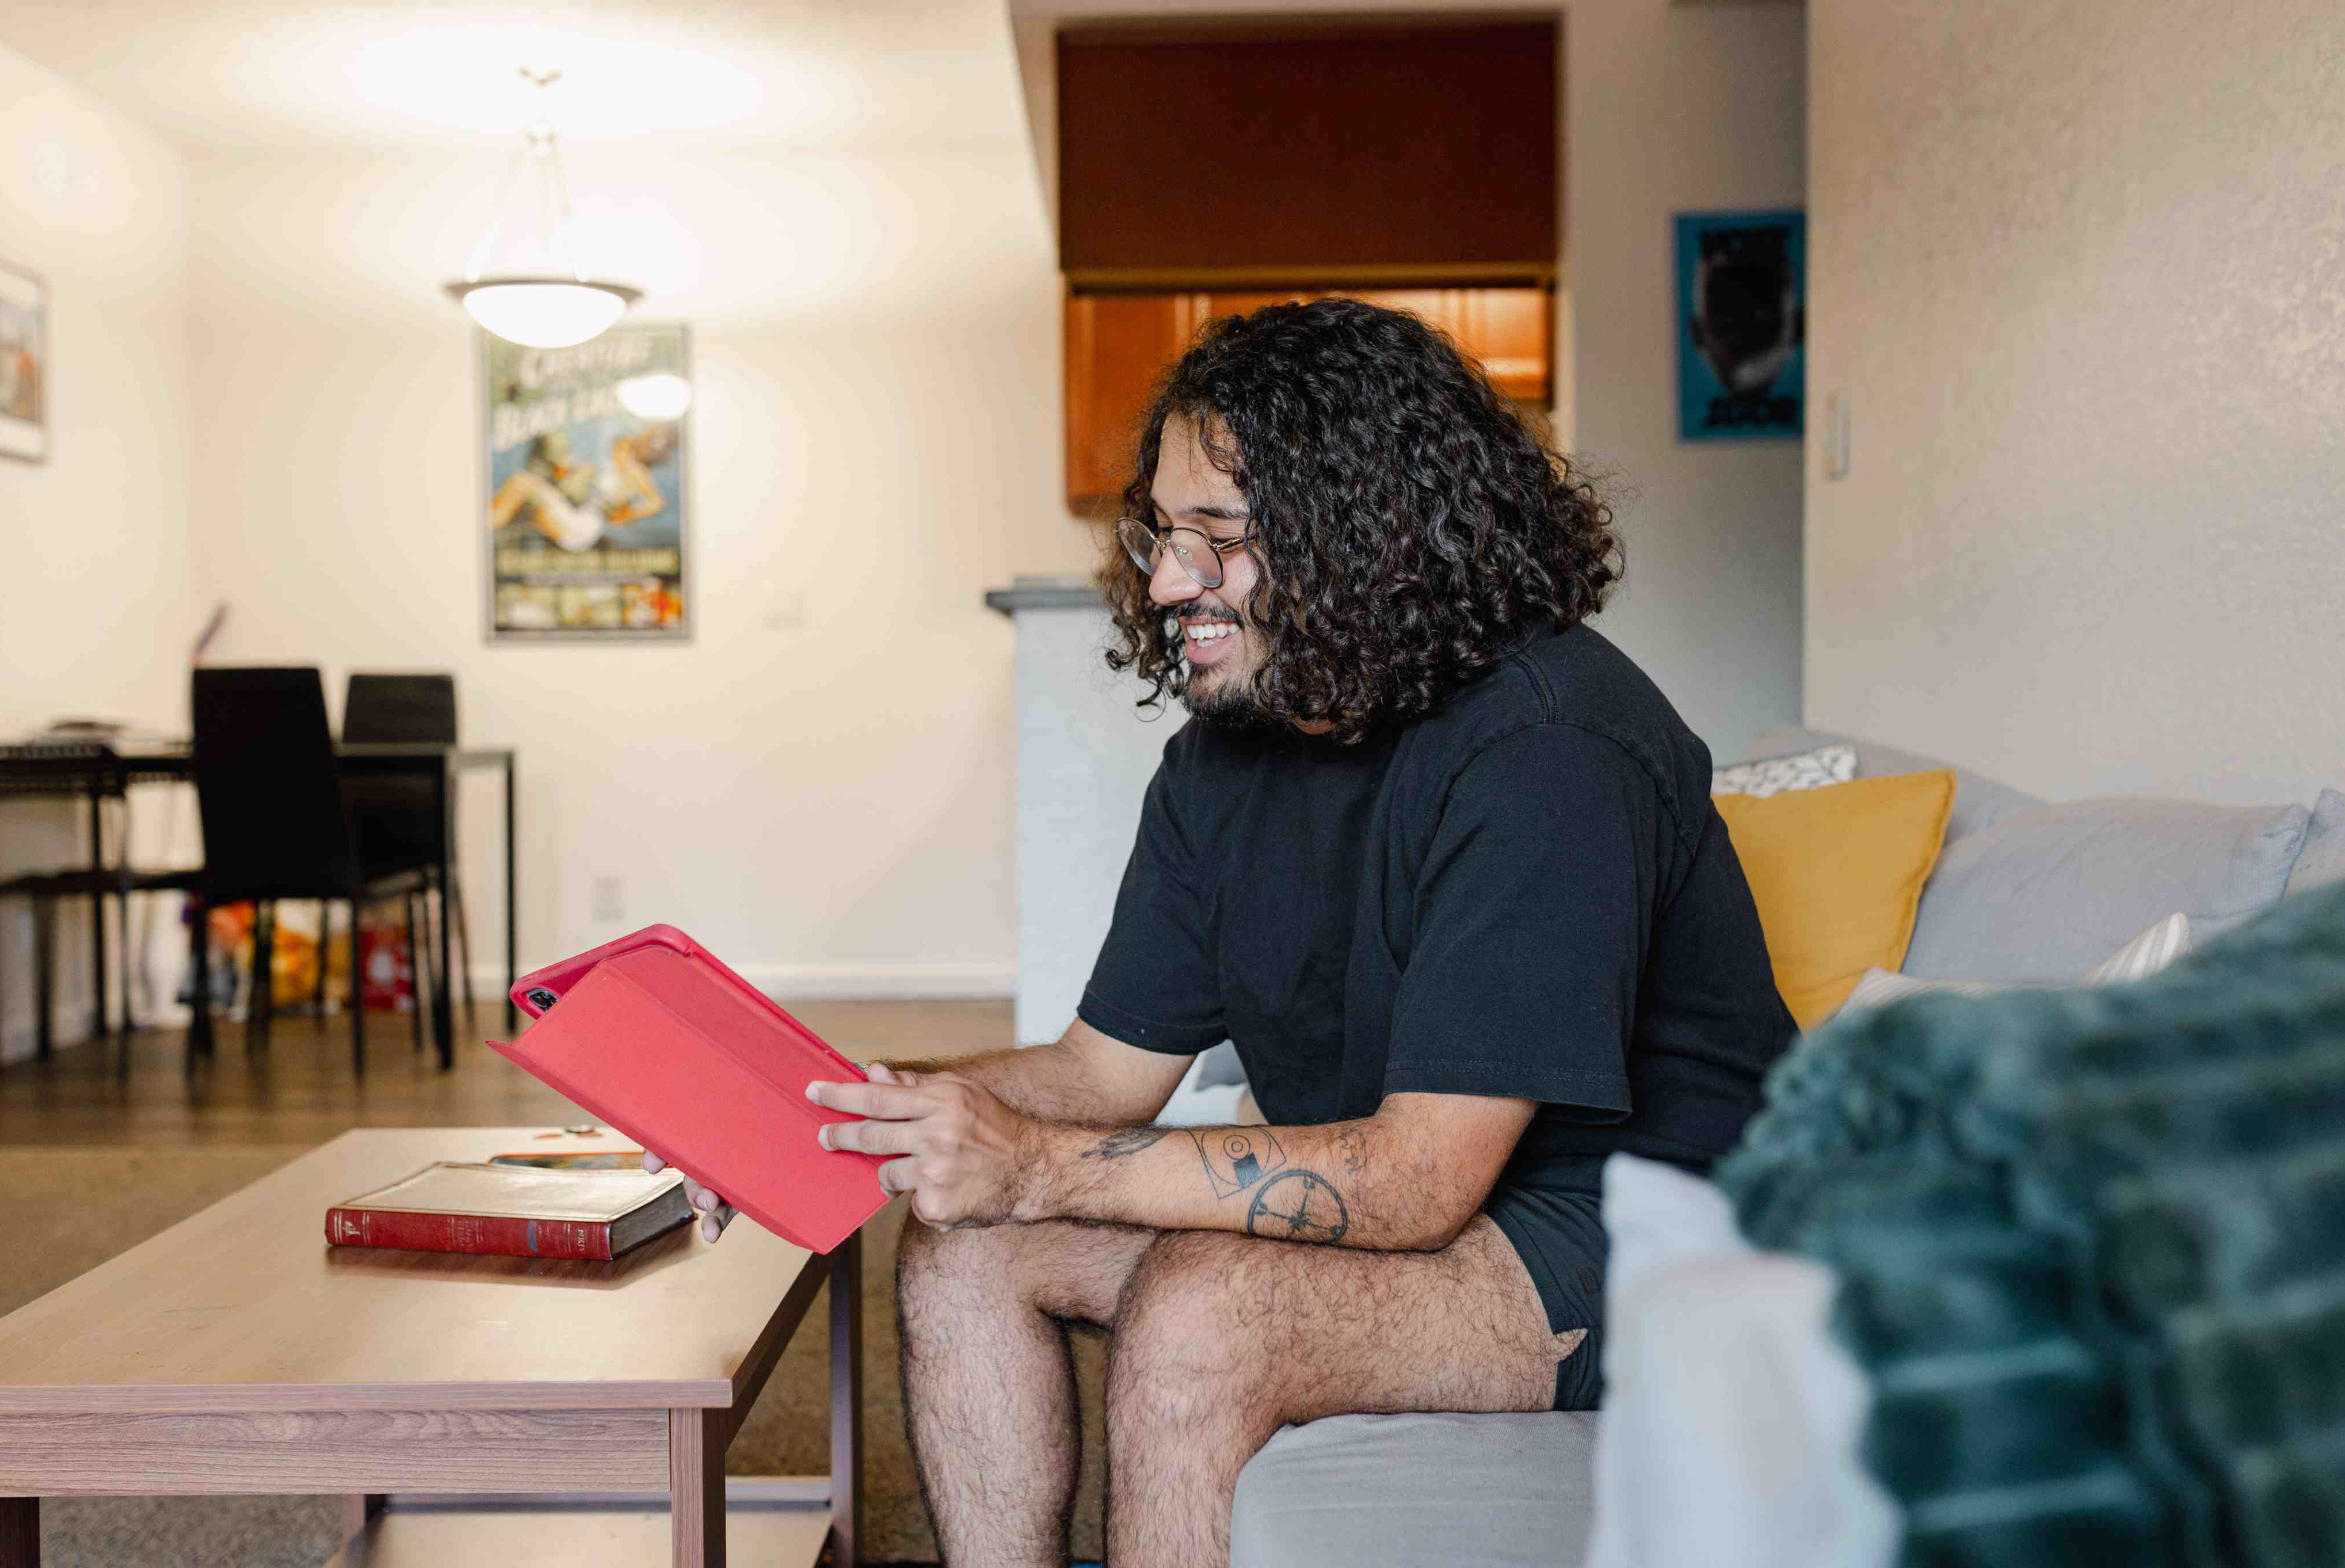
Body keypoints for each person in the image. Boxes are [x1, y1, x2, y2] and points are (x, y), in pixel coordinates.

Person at [654, 299, 1796, 1568]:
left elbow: (1421, 1177)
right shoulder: (1225, 756)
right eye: (1159, 531)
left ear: (1372, 535)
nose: (1162, 581)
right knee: (971, 1246)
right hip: (1464, 1208)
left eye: (1220, 539)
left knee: (1210, 1308)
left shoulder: (1549, 742)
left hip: (1660, 1241)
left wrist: (1036, 1161)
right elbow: (1099, 1073)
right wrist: (822, 1115)